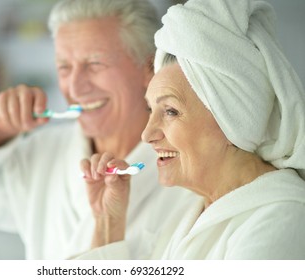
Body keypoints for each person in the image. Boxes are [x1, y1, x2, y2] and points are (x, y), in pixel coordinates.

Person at [0, 0, 201, 259]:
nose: (76, 88)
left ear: (149, 68)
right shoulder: (41, 155)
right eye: (64, 67)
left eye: (94, 64)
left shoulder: (192, 167)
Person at [78, 0, 305, 259]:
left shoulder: (280, 221)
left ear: (230, 118)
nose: (147, 135)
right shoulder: (190, 214)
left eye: (170, 112)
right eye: (151, 110)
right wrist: (108, 223)